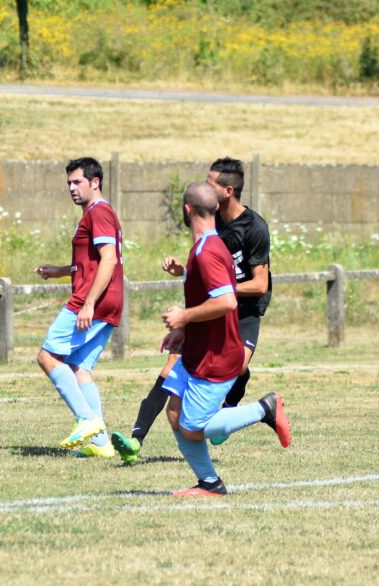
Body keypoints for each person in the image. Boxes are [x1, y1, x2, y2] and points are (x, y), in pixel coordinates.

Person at [112, 157, 275, 464]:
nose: (204, 185)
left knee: (236, 368)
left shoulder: (254, 228)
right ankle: (136, 440)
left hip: (242, 315)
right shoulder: (210, 223)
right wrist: (184, 271)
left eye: (210, 182)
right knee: (170, 370)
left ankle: (233, 410)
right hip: (208, 312)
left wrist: (221, 290)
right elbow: (208, 275)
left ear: (227, 191)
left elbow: (260, 285)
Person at [154, 182, 290, 497]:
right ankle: (210, 483)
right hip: (196, 352)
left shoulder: (208, 252)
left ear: (187, 210)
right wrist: (184, 331)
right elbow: (210, 295)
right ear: (215, 208)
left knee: (193, 427)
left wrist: (184, 317)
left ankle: (265, 409)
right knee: (174, 412)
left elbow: (227, 302)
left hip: (216, 357)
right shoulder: (206, 248)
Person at [34, 157, 124, 458]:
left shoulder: (99, 212)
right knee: (79, 369)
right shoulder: (93, 213)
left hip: (92, 302)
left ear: (95, 182)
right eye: (69, 183)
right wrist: (61, 271)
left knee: (47, 357)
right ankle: (100, 445)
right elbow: (91, 262)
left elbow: (109, 259)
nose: (72, 188)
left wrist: (88, 303)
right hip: (106, 301)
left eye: (77, 182)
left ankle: (88, 421)